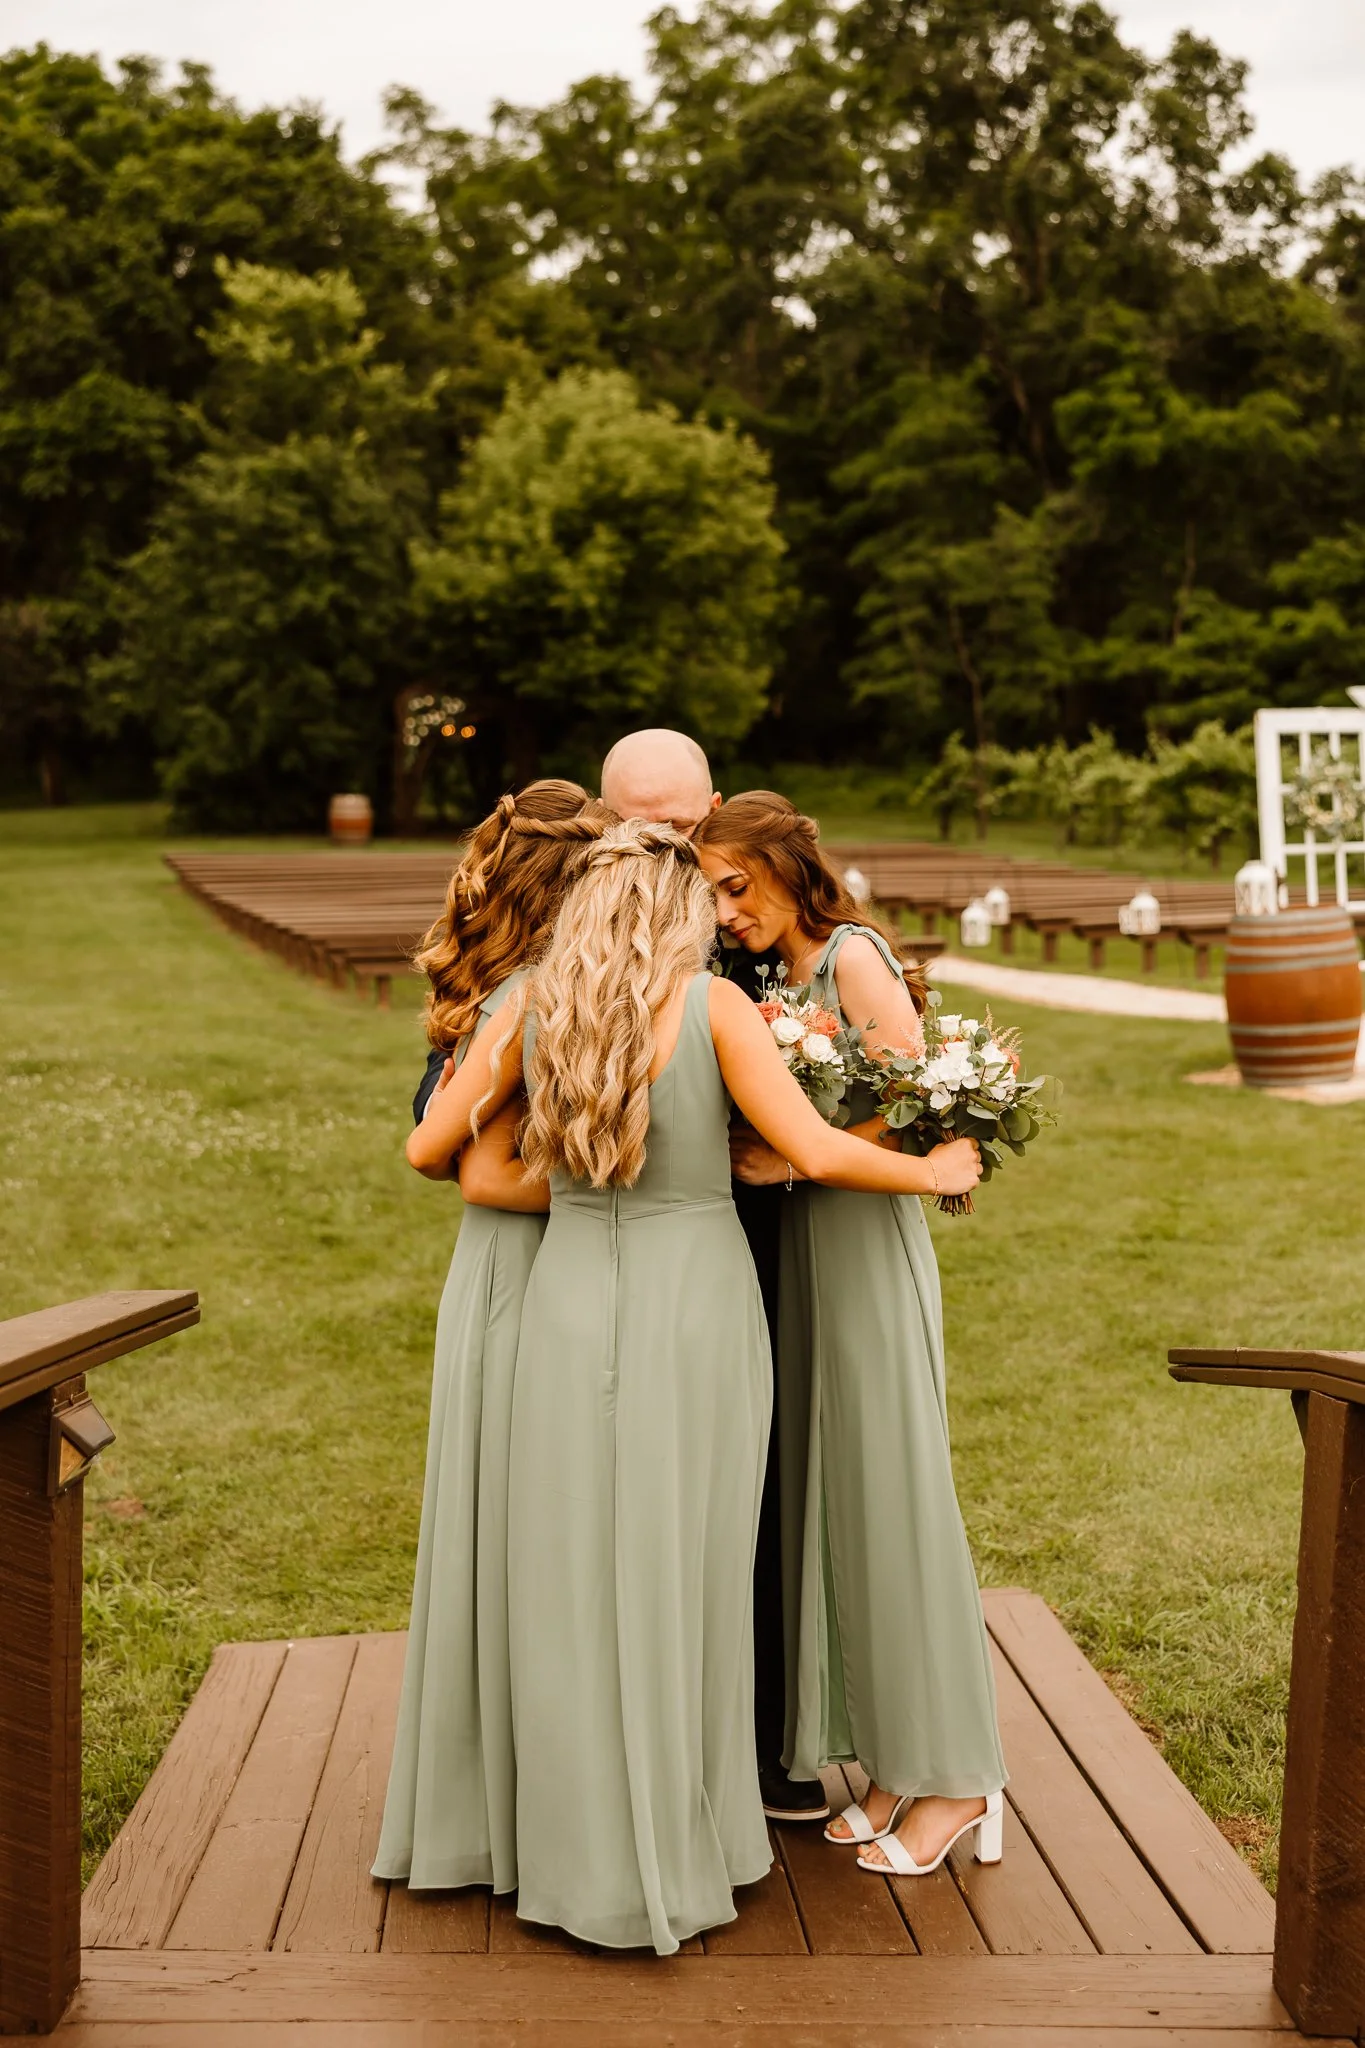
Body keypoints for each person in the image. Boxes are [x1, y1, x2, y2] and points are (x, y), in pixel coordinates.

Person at [406, 821, 982, 1951]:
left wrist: (578, 1188)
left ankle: (568, 1856)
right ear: (669, 912)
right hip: (701, 1309)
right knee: (694, 1576)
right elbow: (813, 1150)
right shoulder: (715, 1009)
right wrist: (931, 1164)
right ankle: (691, 1840)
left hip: (569, 1302)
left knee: (574, 1578)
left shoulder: (531, 1003)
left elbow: (437, 1149)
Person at [409, 729, 821, 1823]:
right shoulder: (563, 947)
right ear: (601, 817)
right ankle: (595, 1781)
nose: (669, 851)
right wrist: (630, 1173)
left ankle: (757, 1741)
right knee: (589, 1535)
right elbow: (444, 1131)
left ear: (713, 810)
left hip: (746, 1260)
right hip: (589, 1269)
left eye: (684, 828)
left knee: (745, 1507)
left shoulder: (756, 928)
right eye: (641, 827)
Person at [695, 792, 1007, 1881]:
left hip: (865, 1252)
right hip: (809, 1263)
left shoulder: (852, 955)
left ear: (788, 865)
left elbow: (920, 1096)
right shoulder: (774, 979)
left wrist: (794, 1156)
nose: (726, 910)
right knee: (841, 1500)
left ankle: (963, 1775)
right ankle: (892, 1759)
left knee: (897, 1494)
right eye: (712, 893)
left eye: (739, 885)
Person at [373, 780, 610, 1895]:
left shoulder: (518, 982)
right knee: (529, 1537)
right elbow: (447, 1157)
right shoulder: (534, 990)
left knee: (509, 1535)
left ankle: (500, 1800)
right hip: (524, 1272)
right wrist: (626, 1198)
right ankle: (519, 1812)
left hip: (500, 1278)